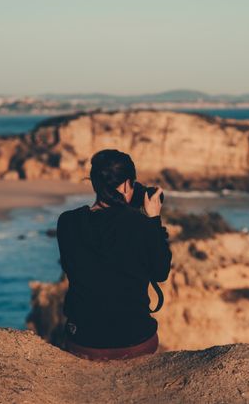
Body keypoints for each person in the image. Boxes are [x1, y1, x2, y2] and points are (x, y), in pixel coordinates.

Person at [56, 149, 172, 361]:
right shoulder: (141, 226)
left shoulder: (67, 222)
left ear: (94, 183)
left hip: (83, 340)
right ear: (128, 184)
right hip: (135, 340)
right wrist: (153, 220)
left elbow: (70, 265)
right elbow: (161, 272)